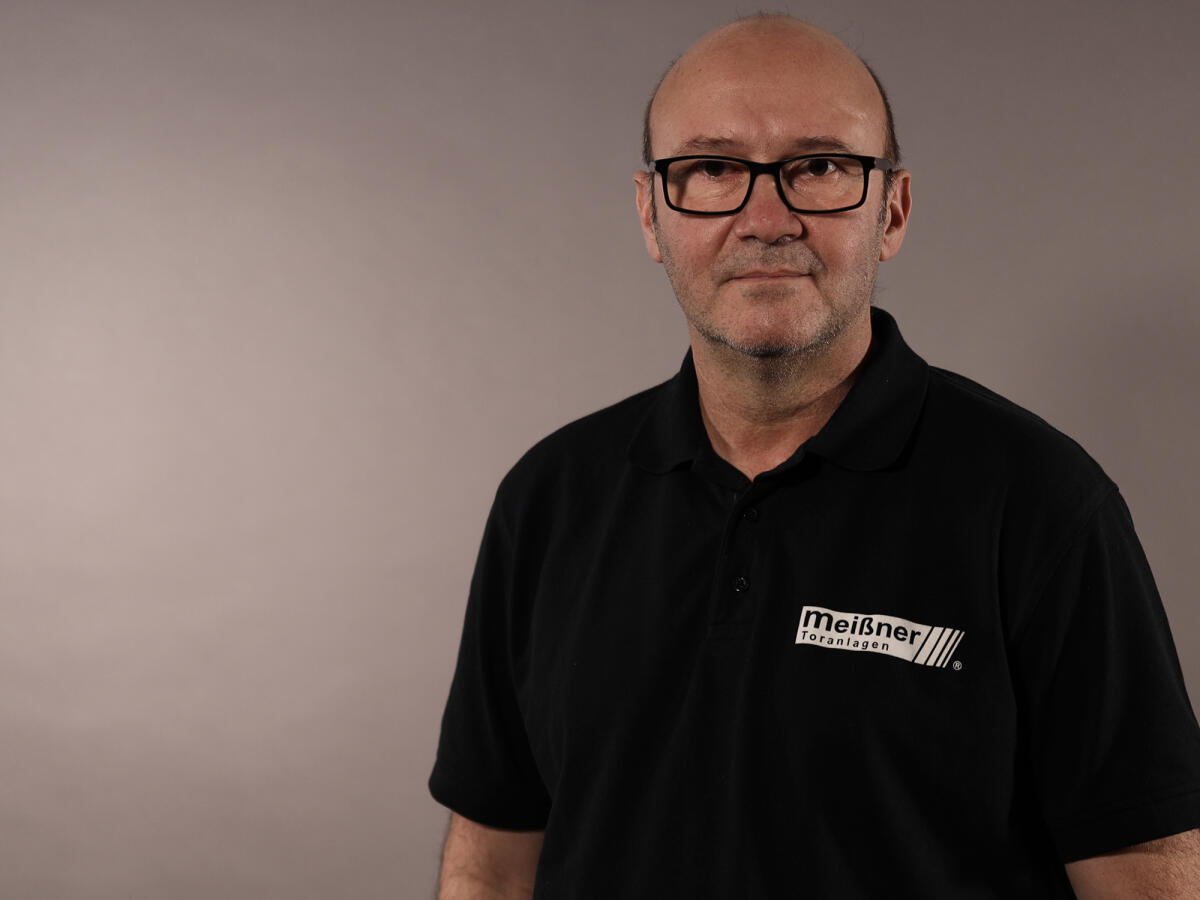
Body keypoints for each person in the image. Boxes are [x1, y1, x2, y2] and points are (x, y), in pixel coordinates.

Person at [428, 13, 1200, 898]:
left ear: (891, 211)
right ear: (651, 213)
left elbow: (1150, 879)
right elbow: (492, 864)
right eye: (712, 169)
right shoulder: (549, 499)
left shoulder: (1039, 504)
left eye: (821, 167)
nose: (766, 219)